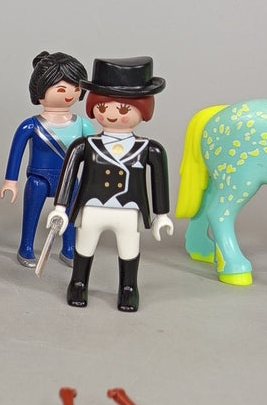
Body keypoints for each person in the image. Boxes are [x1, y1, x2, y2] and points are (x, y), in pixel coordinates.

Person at [45, 57, 173, 311]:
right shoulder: (85, 145)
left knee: (129, 248)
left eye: (124, 110)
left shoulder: (149, 149)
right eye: (103, 107)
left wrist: (161, 215)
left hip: (128, 210)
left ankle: (128, 288)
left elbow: (159, 181)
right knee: (84, 245)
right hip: (91, 207)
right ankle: (78, 283)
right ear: (93, 107)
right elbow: (68, 175)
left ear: (144, 110)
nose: (112, 114)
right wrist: (60, 208)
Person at [0, 51, 95, 267]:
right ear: (40, 90)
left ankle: (69, 247)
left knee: (71, 216)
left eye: (76, 88)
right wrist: (10, 181)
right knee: (31, 216)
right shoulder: (31, 125)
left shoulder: (82, 124)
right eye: (61, 89)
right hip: (38, 179)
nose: (69, 94)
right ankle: (26, 246)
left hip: (69, 180)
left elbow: (93, 155)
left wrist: (93, 182)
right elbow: (16, 153)